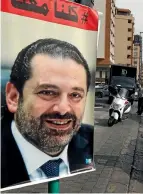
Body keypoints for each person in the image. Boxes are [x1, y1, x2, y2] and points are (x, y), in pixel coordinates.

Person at [1, 38, 94, 189]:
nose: (63, 109)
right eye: (48, 92)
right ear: (13, 97)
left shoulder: (88, 140)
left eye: (75, 95)